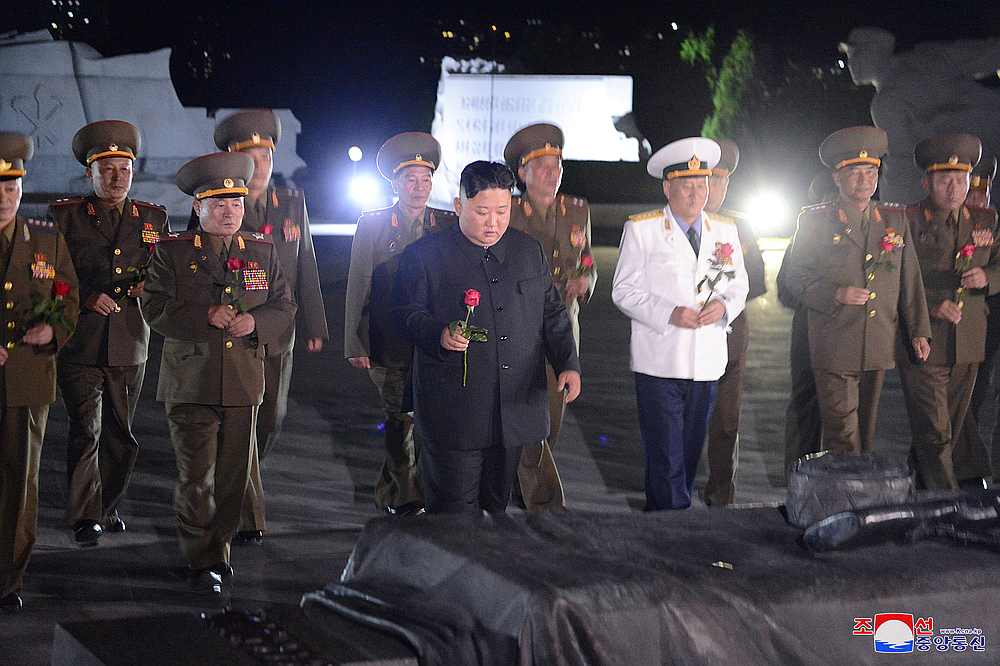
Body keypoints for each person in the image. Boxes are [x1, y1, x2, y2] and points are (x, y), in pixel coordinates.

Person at [142, 152, 295, 595]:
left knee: (232, 479)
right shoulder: (171, 253)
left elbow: (284, 305)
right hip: (191, 383)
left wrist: (257, 323)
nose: (230, 212)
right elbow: (154, 308)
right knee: (196, 476)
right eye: (219, 203)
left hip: (244, 383)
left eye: (236, 203)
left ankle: (220, 545)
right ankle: (203, 557)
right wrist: (203, 314)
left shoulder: (262, 252)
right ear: (197, 207)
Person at [392, 161, 580, 514]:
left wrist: (567, 363)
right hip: (454, 413)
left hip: (512, 410)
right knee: (453, 512)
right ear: (459, 205)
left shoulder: (528, 252)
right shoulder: (425, 256)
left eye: (502, 211)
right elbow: (404, 314)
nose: (493, 223)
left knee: (496, 507)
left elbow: (552, 313)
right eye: (481, 212)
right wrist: (439, 333)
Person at [209, 110, 328, 544]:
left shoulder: (290, 203)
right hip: (235, 335)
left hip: (279, 332)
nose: (261, 165)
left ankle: (233, 484)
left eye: (266, 155)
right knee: (241, 420)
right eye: (251, 156)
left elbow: (306, 264)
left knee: (272, 418)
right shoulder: (218, 204)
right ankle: (245, 513)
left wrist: (315, 321)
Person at [612, 137, 749, 510]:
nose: (695, 194)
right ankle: (670, 524)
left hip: (706, 362)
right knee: (667, 453)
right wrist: (669, 312)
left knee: (687, 455)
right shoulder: (643, 229)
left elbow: (739, 284)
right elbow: (623, 291)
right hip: (660, 360)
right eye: (686, 186)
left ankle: (666, 512)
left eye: (701, 185)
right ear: (667, 188)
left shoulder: (724, 230)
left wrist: (723, 306)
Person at [48, 120, 167, 547]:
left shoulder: (152, 217)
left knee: (121, 432)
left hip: (130, 341)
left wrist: (146, 286)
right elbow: (53, 274)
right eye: (108, 170)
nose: (117, 179)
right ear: (89, 173)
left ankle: (107, 503)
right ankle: (85, 515)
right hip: (81, 339)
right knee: (86, 429)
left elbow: (166, 274)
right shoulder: (66, 216)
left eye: (125, 169)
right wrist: (84, 297)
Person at [783, 126, 931, 456]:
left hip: (877, 341)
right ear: (837, 178)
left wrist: (920, 330)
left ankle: (857, 495)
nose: (864, 181)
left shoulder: (894, 219)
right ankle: (844, 500)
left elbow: (910, 278)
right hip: (833, 341)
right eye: (854, 173)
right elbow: (796, 276)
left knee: (865, 430)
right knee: (842, 433)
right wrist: (835, 294)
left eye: (871, 172)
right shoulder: (815, 221)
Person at [344, 132, 457, 516]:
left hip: (429, 341)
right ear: (395, 183)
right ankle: (409, 497)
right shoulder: (373, 224)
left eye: (425, 179)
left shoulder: (446, 224)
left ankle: (394, 490)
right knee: (399, 419)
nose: (419, 187)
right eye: (410, 179)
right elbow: (358, 284)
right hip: (387, 342)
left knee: (426, 420)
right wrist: (354, 344)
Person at [0, 133, 79, 612]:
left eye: (11, 187)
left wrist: (53, 334)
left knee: (19, 482)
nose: (4, 197)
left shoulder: (46, 240)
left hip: (27, 382)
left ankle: (9, 579)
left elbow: (67, 301)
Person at [503, 122, 596, 511]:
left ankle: (516, 488)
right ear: (522, 173)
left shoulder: (576, 209)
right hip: (521, 332)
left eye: (556, 164)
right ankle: (545, 506)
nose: (551, 172)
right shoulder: (507, 211)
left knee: (551, 424)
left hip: (563, 331)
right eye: (540, 166)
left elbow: (587, 260)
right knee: (531, 422)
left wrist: (584, 282)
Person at [898, 135, 1000, 489]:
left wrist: (987, 276)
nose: (954, 188)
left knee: (952, 427)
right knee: (935, 428)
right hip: (925, 341)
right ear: (927, 182)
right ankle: (945, 498)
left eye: (962, 179)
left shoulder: (986, 219)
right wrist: (929, 305)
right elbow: (894, 280)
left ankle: (918, 484)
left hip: (969, 340)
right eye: (945, 180)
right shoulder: (908, 220)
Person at [701, 138, 766, 506]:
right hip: (686, 336)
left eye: (724, 180)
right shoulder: (677, 222)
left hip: (730, 335)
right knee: (684, 418)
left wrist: (723, 297)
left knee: (727, 421)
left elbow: (757, 279)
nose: (718, 188)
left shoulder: (740, 226)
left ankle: (721, 493)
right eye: (711, 179)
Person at [778, 172, 835, 474]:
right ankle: (799, 476)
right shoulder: (804, 236)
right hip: (809, 330)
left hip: (846, 333)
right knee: (805, 404)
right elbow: (784, 290)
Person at [959, 155, 999, 486]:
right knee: (967, 396)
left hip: (989, 319)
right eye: (973, 192)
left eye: (983, 193)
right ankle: (968, 469)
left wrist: (989, 276)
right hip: (970, 321)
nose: (978, 200)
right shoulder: (949, 222)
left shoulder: (993, 223)